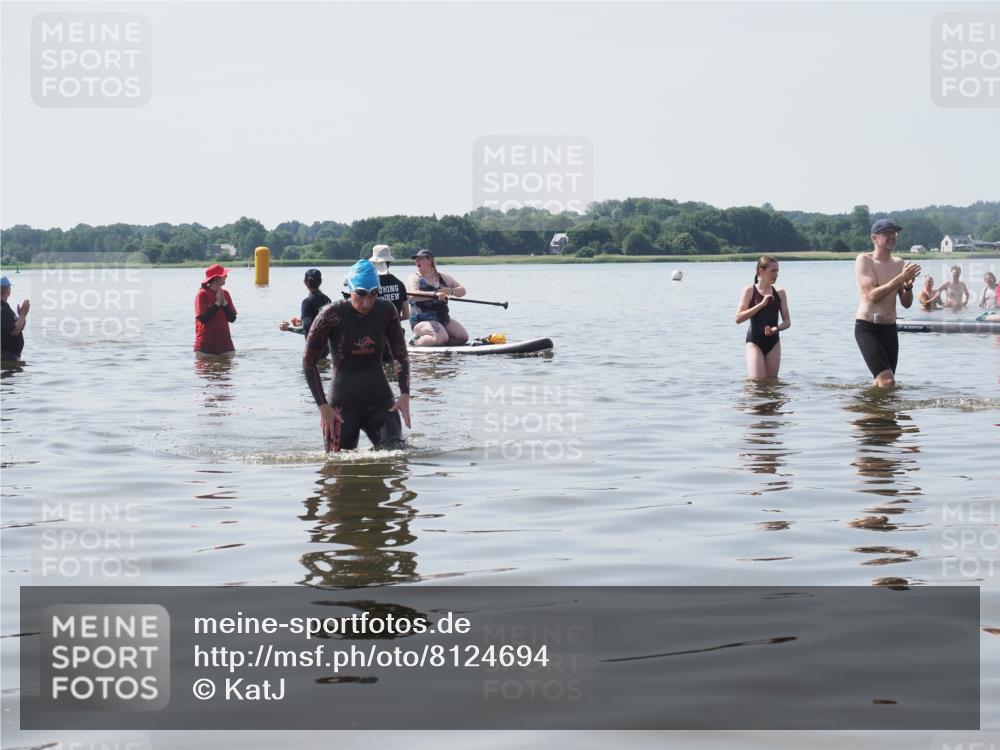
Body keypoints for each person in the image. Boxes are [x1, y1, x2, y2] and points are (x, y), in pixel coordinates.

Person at [303, 259, 411, 453]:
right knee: (337, 468)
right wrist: (323, 407)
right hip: (342, 406)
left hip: (380, 400)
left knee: (396, 455)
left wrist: (404, 394)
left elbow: (400, 354)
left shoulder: (387, 311)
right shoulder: (330, 315)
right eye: (360, 294)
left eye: (373, 294)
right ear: (349, 290)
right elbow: (309, 363)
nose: (367, 302)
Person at [854, 219, 920, 388]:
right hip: (868, 328)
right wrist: (900, 278)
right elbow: (871, 296)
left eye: (894, 233)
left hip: (890, 329)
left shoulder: (899, 264)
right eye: (887, 233)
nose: (892, 236)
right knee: (888, 381)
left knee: (882, 383)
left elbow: (906, 303)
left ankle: (879, 413)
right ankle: (881, 412)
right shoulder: (865, 260)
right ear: (874, 238)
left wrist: (908, 285)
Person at [735, 256, 791, 380]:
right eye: (773, 271)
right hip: (754, 342)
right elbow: (738, 318)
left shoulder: (780, 292)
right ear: (761, 271)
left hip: (773, 342)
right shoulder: (749, 290)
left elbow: (787, 322)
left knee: (772, 383)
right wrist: (761, 304)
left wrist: (775, 329)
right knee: (757, 382)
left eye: (777, 271)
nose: (776, 274)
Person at [406, 248, 468, 346]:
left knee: (462, 337)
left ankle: (438, 341)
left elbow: (462, 291)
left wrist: (450, 291)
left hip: (442, 318)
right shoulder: (414, 277)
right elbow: (413, 295)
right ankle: (415, 342)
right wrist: (434, 295)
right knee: (441, 338)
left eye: (421, 259)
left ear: (430, 260)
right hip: (422, 319)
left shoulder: (444, 277)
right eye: (416, 259)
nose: (417, 261)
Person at [370, 245, 410, 361]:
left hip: (376, 336)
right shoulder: (399, 284)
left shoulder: (371, 285)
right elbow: (406, 314)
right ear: (389, 262)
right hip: (396, 335)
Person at [194, 263, 237, 354]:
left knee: (229, 367)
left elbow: (232, 318)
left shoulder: (225, 293)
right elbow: (203, 319)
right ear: (217, 278)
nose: (226, 276)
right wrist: (217, 303)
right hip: (205, 346)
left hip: (226, 345)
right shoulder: (202, 294)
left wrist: (224, 303)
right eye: (224, 275)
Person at [280, 268, 331, 337]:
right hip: (327, 345)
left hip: (314, 346)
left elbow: (307, 330)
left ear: (305, 282)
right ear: (321, 282)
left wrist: (288, 328)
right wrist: (302, 321)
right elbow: (321, 323)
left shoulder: (307, 302)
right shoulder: (327, 300)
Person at [1, 276, 29, 361]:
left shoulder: (5, 307)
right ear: (8, 291)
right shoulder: (2, 309)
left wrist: (22, 316)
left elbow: (20, 327)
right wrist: (23, 314)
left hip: (11, 356)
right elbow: (14, 331)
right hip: (8, 356)